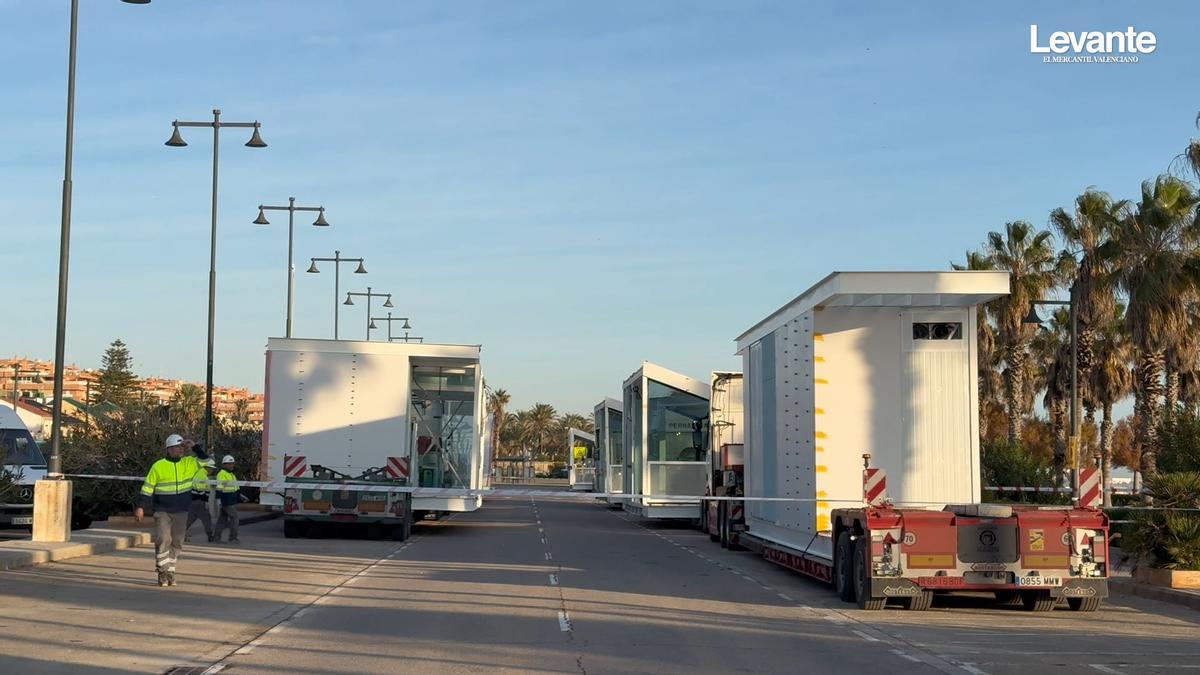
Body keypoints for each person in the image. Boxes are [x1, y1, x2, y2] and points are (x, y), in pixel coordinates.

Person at [135, 434, 201, 587]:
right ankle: (162, 572)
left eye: (182, 447)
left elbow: (208, 462)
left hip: (181, 510)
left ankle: (171, 571)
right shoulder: (158, 466)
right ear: (169, 449)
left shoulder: (189, 463)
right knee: (164, 539)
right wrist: (140, 507)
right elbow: (147, 488)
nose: (180, 450)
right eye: (177, 447)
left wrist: (194, 446)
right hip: (162, 510)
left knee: (177, 542)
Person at [213, 455, 247, 544]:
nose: (232, 465)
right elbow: (219, 488)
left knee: (222, 519)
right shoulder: (222, 474)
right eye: (229, 464)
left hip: (231, 499)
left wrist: (241, 496)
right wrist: (218, 500)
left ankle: (216, 538)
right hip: (226, 500)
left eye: (232, 464)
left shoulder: (231, 474)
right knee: (235, 518)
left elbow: (235, 487)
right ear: (224, 465)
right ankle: (233, 538)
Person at [185, 457, 216, 543]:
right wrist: (205, 501)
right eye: (211, 468)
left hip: (193, 501)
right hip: (199, 501)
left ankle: (179, 534)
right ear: (207, 467)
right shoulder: (201, 475)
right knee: (206, 519)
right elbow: (200, 490)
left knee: (190, 518)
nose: (212, 471)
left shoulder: (202, 474)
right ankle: (210, 536)